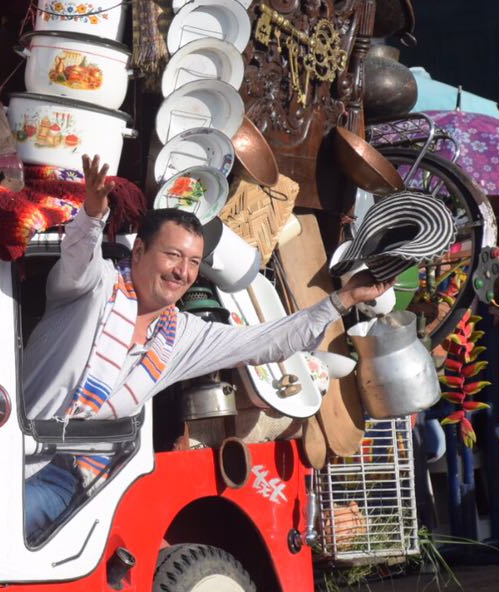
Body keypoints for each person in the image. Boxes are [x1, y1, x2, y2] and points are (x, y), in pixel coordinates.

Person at [20, 156, 394, 538]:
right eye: (173, 255)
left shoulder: (179, 335)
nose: (183, 271)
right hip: (15, 452)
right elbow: (78, 257)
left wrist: (344, 298)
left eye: (194, 261)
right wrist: (94, 213)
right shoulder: (95, 287)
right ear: (138, 252)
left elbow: (267, 341)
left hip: (77, 480)